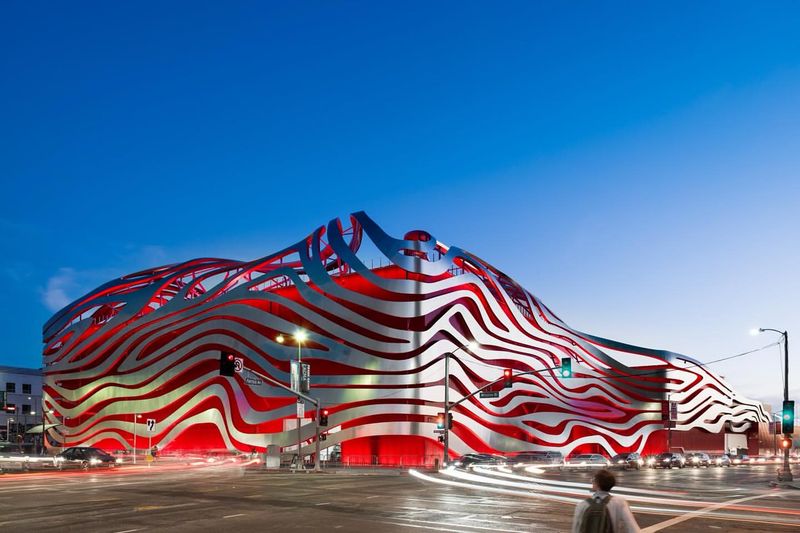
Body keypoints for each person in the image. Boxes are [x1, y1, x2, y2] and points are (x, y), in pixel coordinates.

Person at [572, 469, 640, 533]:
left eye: (593, 480)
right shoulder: (620, 502)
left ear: (596, 484)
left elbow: (576, 530)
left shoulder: (582, 505)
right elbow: (633, 528)